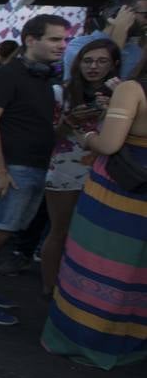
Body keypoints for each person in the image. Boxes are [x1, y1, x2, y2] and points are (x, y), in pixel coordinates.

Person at [0, 14, 69, 325]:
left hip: (29, 166)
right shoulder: (7, 76)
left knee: (2, 233)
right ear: (31, 40)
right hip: (12, 168)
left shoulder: (42, 78)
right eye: (54, 39)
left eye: (64, 39)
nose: (62, 45)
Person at [41, 51, 147, 368]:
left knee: (98, 263)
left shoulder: (132, 89)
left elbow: (110, 145)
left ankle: (81, 341)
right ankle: (127, 345)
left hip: (117, 193)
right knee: (137, 271)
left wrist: (86, 135)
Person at [38, 39, 119, 295]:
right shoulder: (61, 92)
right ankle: (49, 288)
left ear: (114, 64)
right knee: (59, 230)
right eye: (87, 60)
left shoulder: (123, 93)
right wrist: (71, 120)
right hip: (66, 168)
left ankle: (83, 291)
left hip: (107, 171)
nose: (93, 66)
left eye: (101, 61)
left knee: (96, 235)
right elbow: (49, 135)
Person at [62, 0, 144, 82]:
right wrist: (120, 31)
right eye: (146, 15)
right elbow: (98, 82)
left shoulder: (135, 51)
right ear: (116, 14)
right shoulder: (79, 45)